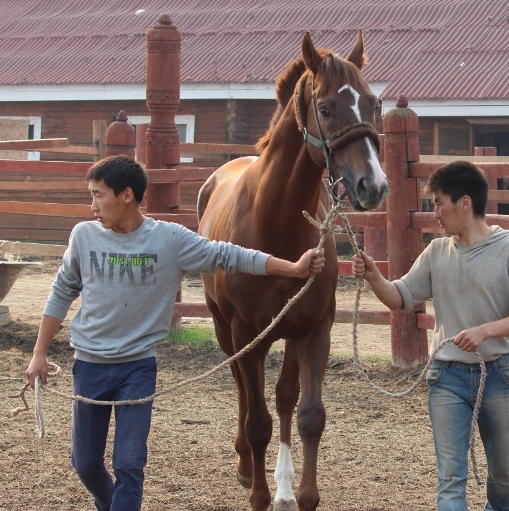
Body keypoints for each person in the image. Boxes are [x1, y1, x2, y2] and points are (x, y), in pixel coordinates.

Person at [25, 155, 325, 511]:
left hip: (137, 369)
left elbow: (230, 255)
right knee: (86, 463)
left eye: (98, 195)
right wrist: (39, 353)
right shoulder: (84, 236)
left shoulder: (169, 239)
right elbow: (61, 291)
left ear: (126, 195)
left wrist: (291, 268)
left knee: (129, 463)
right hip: (88, 365)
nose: (92, 206)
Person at [352, 160, 509, 511]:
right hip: (447, 376)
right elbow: (401, 296)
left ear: (465, 203)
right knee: (450, 481)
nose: (435, 213)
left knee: (503, 477)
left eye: (439, 203)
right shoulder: (437, 251)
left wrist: (485, 331)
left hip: (498, 374)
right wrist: (373, 276)